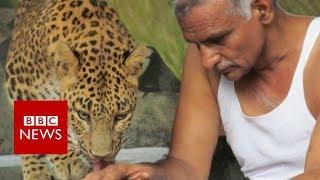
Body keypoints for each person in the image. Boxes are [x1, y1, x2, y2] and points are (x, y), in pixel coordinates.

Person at [85, 0, 320, 179]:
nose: (207, 60)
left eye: (218, 39)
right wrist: (145, 173)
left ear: (261, 9)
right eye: (197, 44)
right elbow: (187, 165)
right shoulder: (202, 60)